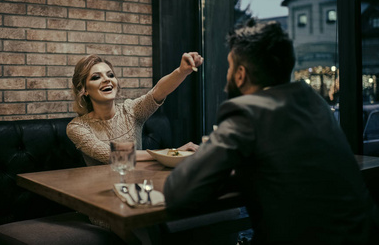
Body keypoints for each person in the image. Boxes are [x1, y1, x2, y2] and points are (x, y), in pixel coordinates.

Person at [164, 20, 379, 245]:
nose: (227, 77)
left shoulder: (247, 113)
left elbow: (178, 192)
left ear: (240, 74)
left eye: (229, 67)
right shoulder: (314, 103)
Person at [67, 53, 202, 166]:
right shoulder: (77, 127)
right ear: (84, 90)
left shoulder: (130, 111)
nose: (107, 80)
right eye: (96, 77)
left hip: (136, 185)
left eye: (110, 75)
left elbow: (158, 91)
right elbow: (112, 155)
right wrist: (172, 153)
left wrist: (181, 71)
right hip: (96, 192)